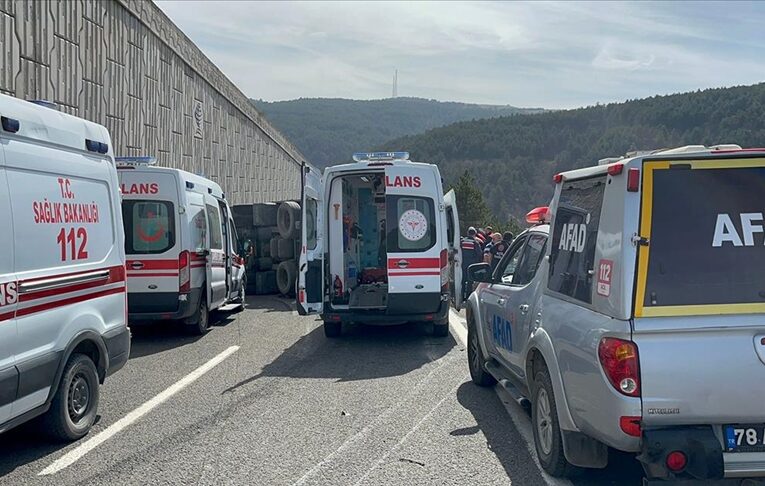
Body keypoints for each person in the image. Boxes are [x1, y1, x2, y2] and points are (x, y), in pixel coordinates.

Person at [460, 227, 484, 301]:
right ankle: (468, 297)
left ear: (467, 233)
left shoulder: (462, 241)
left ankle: (461, 296)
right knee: (470, 281)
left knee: (463, 280)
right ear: (475, 234)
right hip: (472, 265)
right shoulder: (475, 243)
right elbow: (479, 253)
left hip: (462, 264)